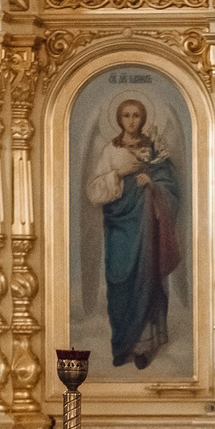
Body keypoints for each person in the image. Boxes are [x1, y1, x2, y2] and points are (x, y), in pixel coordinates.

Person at [84, 96, 185, 368]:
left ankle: (143, 346)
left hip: (146, 227)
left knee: (146, 279)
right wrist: (118, 173)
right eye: (126, 115)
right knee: (119, 283)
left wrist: (151, 182)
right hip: (119, 226)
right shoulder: (110, 150)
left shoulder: (155, 149)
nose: (131, 121)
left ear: (143, 119)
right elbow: (94, 191)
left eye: (136, 115)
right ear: (119, 119)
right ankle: (122, 343)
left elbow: (172, 188)